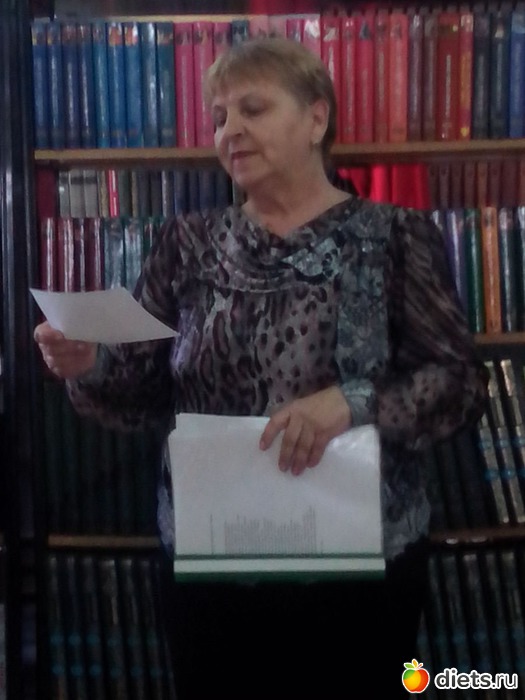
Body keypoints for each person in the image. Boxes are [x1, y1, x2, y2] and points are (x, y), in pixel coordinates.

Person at [34, 37, 487, 699]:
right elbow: (137, 396)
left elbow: (460, 385)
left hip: (358, 565)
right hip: (212, 566)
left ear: (315, 118)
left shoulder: (394, 236)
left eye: (252, 109)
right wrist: (89, 364)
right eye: (219, 117)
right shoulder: (184, 244)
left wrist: (352, 401)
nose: (229, 131)